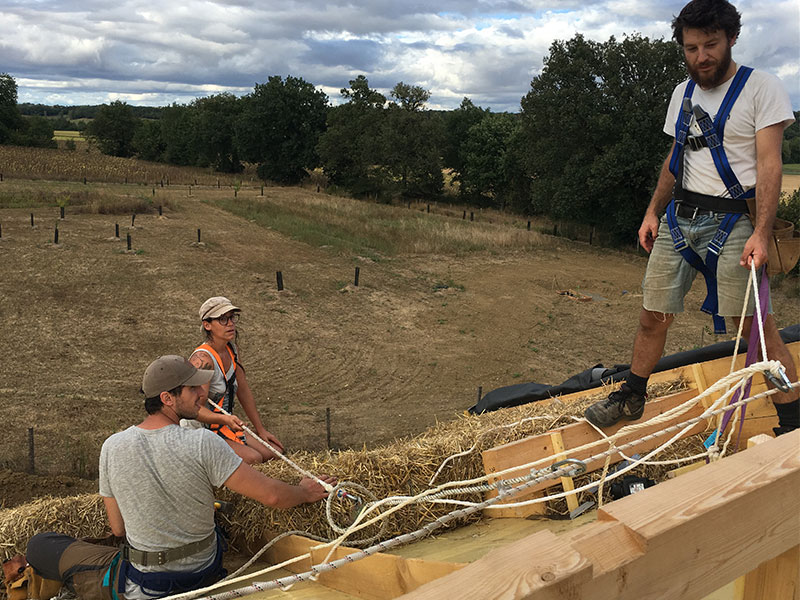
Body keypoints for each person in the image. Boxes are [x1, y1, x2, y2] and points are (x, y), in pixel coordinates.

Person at [584, 0, 798, 435]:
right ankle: (632, 396)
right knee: (652, 315)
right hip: (681, 220)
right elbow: (675, 158)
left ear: (731, 38)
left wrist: (760, 232)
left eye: (711, 45)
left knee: (755, 331)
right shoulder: (682, 93)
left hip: (737, 222)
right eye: (691, 47)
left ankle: (794, 422)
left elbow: (770, 164)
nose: (701, 57)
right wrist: (652, 211)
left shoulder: (762, 88)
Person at [25, 355, 336, 600]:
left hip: (145, 585)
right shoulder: (202, 443)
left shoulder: (111, 447)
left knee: (39, 544)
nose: (203, 393)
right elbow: (273, 496)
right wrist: (305, 491)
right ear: (167, 398)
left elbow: (117, 528)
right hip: (202, 571)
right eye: (193, 388)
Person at [189, 296, 284, 464]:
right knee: (254, 458)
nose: (231, 323)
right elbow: (194, 408)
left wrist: (260, 430)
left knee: (276, 453)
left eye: (232, 317)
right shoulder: (203, 359)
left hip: (225, 422)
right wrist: (225, 419)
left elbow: (243, 390)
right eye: (223, 319)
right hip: (201, 429)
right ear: (207, 325)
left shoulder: (232, 349)